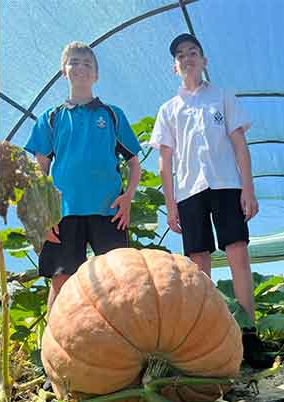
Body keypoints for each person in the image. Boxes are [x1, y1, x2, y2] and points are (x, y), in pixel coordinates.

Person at [24, 42, 142, 317]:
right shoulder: (51, 118)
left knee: (116, 280)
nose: (80, 68)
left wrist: (128, 198)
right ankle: (53, 353)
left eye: (87, 64)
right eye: (74, 62)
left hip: (109, 211)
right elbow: (39, 169)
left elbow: (134, 163)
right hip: (64, 213)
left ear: (96, 75)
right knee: (62, 279)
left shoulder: (112, 115)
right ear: (63, 72)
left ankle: (119, 350)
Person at [148, 33, 259, 324]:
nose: (187, 57)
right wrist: (170, 205)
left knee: (237, 252)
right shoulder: (168, 110)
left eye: (192, 52)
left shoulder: (222, 96)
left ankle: (249, 329)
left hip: (226, 185)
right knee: (198, 261)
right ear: (175, 66)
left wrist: (248, 188)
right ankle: (209, 329)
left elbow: (240, 146)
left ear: (203, 61)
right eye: (180, 55)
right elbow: (164, 162)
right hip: (188, 191)